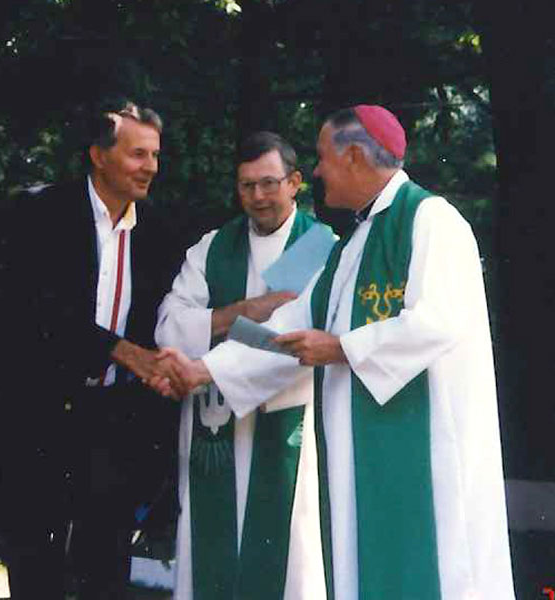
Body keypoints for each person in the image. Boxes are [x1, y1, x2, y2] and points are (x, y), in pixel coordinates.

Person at [152, 105, 514, 599]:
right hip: (355, 454)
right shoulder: (351, 245)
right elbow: (290, 329)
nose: (318, 171)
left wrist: (343, 347)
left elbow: (439, 321)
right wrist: (202, 371)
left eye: (323, 158)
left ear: (356, 157)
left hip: (426, 455)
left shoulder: (430, 219)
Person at [0, 100, 183, 599]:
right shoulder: (38, 213)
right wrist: (120, 350)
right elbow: (31, 315)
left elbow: (169, 321)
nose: (151, 167)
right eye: (138, 154)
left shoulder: (161, 233)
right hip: (39, 416)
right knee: (36, 563)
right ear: (99, 156)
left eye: (155, 155)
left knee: (106, 565)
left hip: (116, 423)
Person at [154, 131, 328, 599]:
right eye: (247, 186)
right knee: (209, 550)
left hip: (286, 416)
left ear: (294, 183)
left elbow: (288, 338)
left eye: (269, 183)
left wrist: (208, 352)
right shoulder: (213, 247)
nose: (258, 197)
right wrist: (240, 313)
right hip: (214, 421)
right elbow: (169, 326)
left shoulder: (319, 248)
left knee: (289, 552)